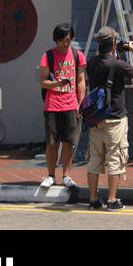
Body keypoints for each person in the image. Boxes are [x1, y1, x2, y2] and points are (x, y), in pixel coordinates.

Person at [85, 26, 133, 210]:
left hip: (96, 119)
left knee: (94, 159)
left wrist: (115, 52)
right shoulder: (118, 64)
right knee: (115, 159)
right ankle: (112, 199)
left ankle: (93, 200)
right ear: (114, 43)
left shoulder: (91, 62)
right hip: (115, 118)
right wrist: (132, 50)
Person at [39, 22, 87, 189]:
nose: (65, 44)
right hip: (52, 105)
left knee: (69, 142)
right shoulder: (48, 56)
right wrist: (56, 84)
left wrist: (80, 104)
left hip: (71, 105)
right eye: (62, 40)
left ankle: (66, 175)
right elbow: (43, 82)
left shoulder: (77, 55)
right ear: (56, 40)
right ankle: (51, 174)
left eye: (68, 40)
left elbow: (81, 81)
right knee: (51, 142)